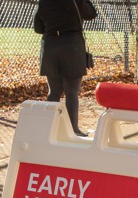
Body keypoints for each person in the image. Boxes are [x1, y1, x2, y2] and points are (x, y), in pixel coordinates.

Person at [34, 0, 97, 137]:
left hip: (50, 47)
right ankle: (72, 129)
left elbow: (38, 28)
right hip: (71, 46)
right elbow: (91, 14)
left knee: (54, 91)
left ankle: (49, 127)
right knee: (71, 91)